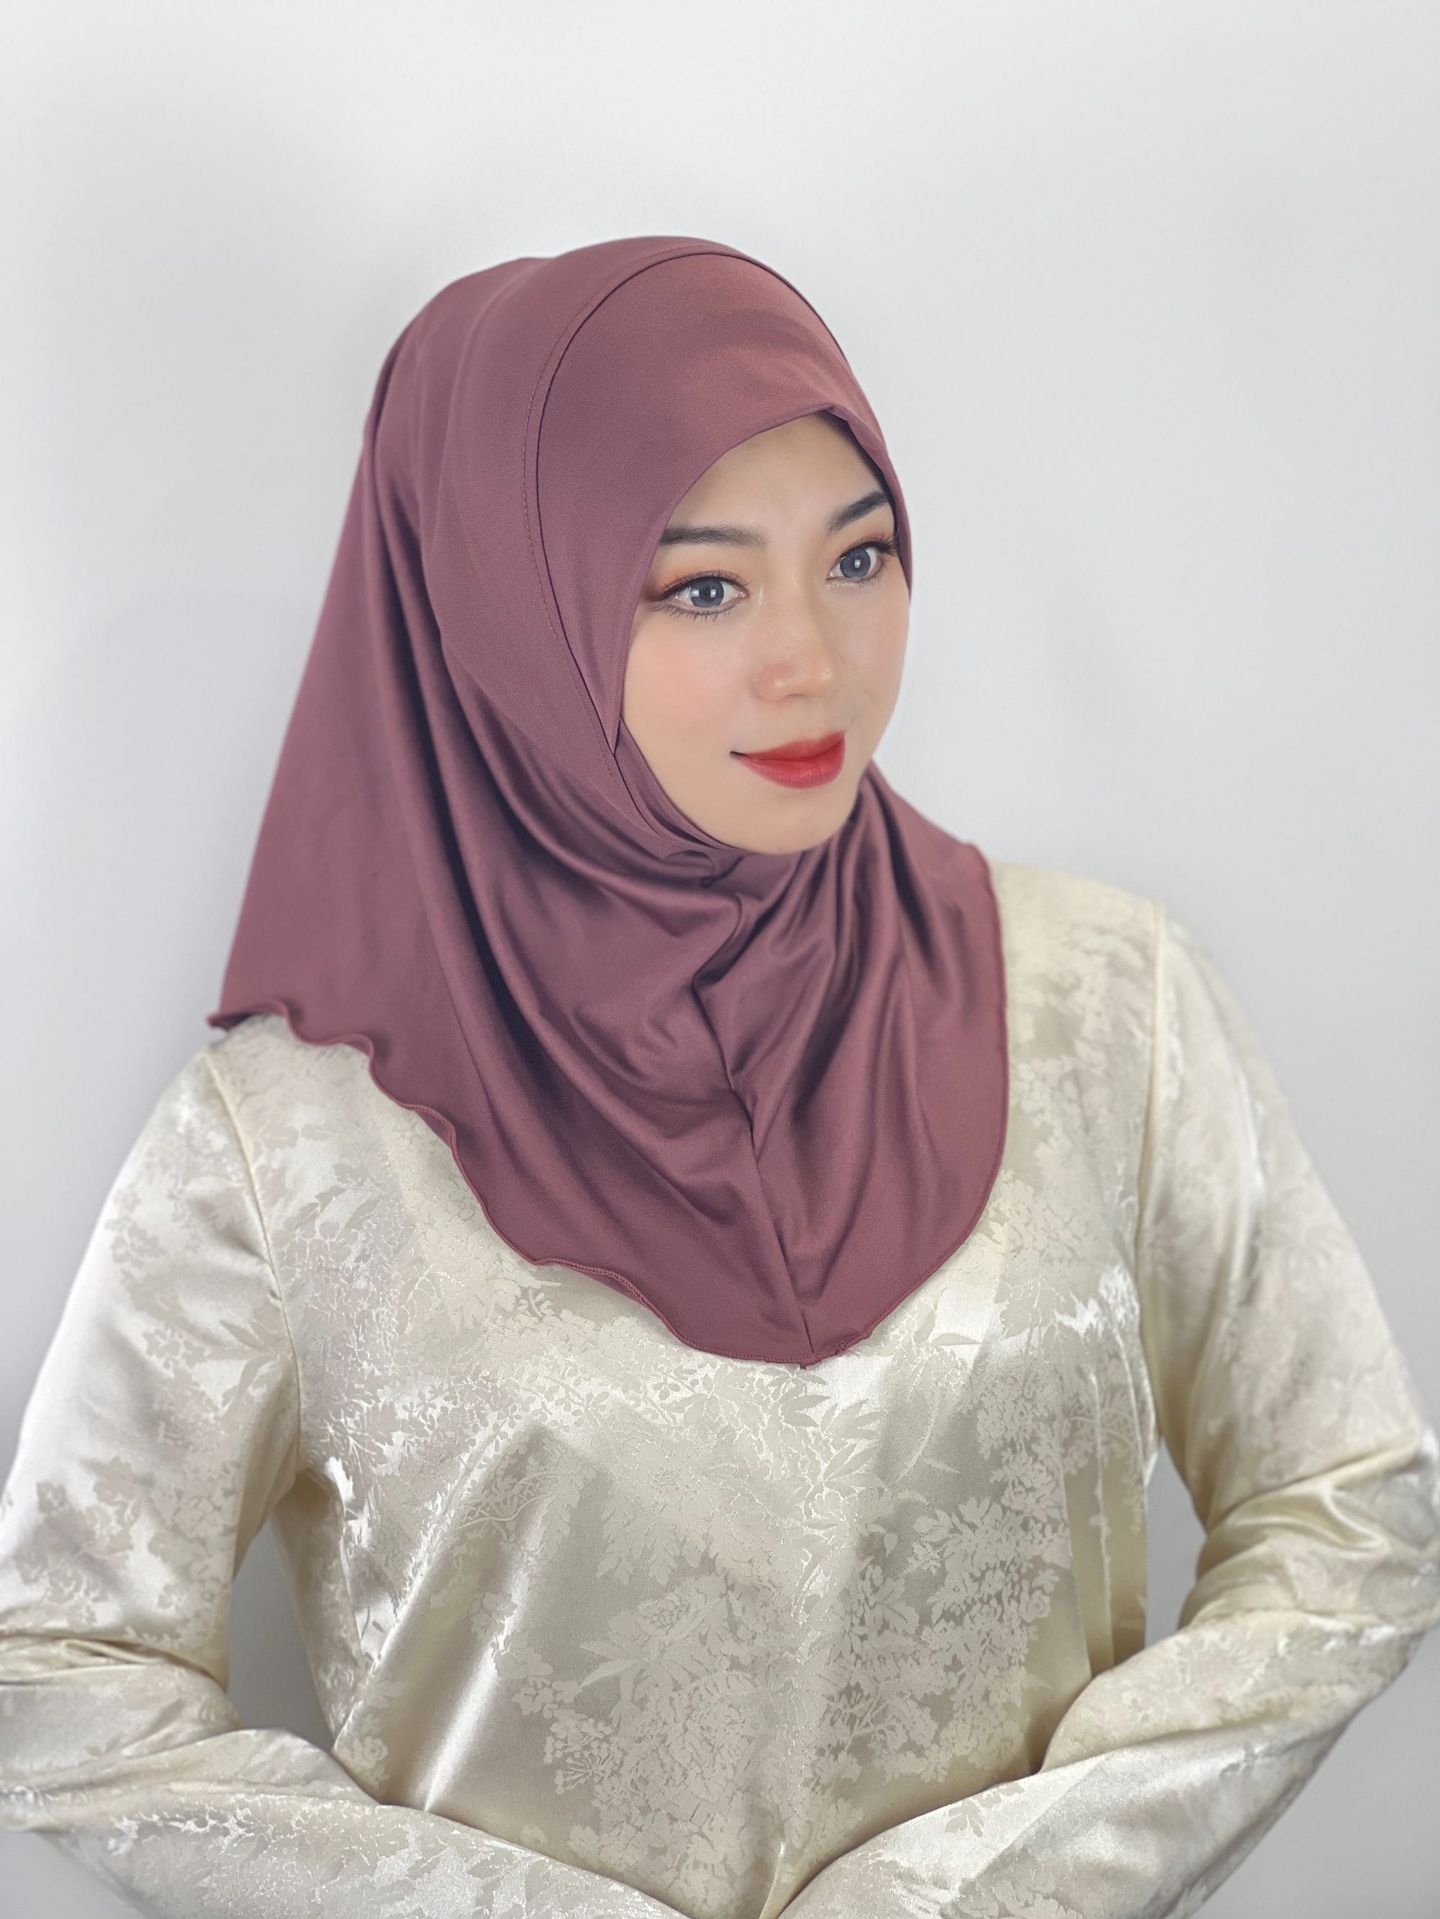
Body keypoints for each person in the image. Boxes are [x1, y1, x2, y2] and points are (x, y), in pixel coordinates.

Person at [1, 233, 1437, 1919]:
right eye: (701, 587)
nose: (809, 662)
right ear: (511, 615)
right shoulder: (290, 1144)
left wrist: (981, 1892)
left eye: (858, 557)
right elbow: (65, 1671)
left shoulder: (1110, 1003)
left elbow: (1351, 1502)